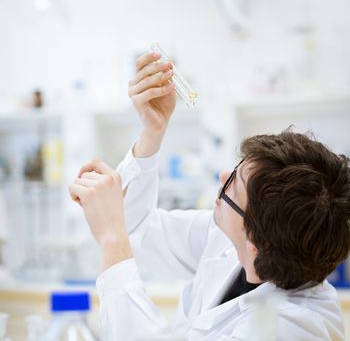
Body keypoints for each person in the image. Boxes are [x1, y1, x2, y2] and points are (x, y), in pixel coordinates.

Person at [69, 51, 350, 340]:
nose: (222, 177)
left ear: (255, 243)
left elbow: (122, 236)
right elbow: (139, 230)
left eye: (233, 188)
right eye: (237, 168)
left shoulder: (291, 328)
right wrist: (152, 131)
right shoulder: (232, 243)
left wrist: (112, 240)